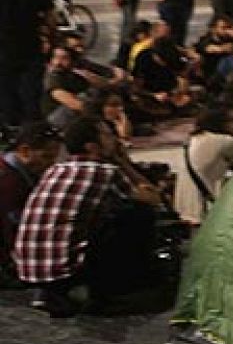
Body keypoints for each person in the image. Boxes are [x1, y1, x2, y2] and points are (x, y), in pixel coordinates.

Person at [13, 116, 163, 316]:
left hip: (27, 268)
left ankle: (52, 292)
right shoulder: (104, 171)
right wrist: (122, 161)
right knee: (139, 214)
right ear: (92, 146)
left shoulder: (55, 170)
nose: (114, 139)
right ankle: (113, 291)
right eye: (108, 135)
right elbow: (153, 199)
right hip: (63, 270)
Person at [0, 122, 61, 282]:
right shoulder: (9, 183)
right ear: (25, 151)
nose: (51, 164)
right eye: (46, 157)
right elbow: (13, 230)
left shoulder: (17, 172)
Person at [0, 0, 49, 130]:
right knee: (30, 92)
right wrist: (50, 38)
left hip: (2, 44)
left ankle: (8, 128)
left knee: (5, 89)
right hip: (29, 43)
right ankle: (31, 130)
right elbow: (49, 16)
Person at [174, 108, 233, 225]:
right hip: (205, 211)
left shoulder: (192, 140)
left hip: (185, 207)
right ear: (221, 123)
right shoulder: (226, 142)